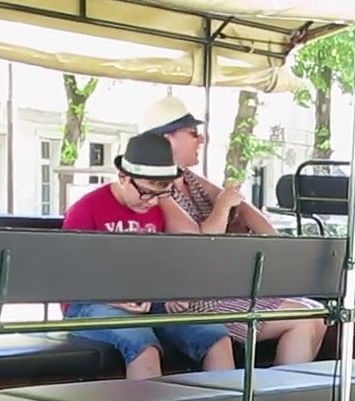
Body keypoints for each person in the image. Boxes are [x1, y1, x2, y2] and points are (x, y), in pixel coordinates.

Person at [140, 96, 327, 365]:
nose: (201, 139)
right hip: (189, 297)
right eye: (193, 133)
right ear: (168, 139)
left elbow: (264, 228)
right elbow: (199, 244)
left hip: (219, 288)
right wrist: (223, 205)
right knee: (303, 317)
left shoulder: (189, 179)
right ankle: (286, 389)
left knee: (316, 312)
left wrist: (237, 203)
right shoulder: (156, 187)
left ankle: (288, 389)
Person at [60, 130, 235, 379]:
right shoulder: (86, 209)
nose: (151, 202)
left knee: (217, 338)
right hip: (91, 303)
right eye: (145, 192)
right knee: (144, 347)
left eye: (161, 193)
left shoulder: (159, 207)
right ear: (123, 177)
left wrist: (172, 291)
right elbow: (66, 275)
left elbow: (181, 250)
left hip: (149, 300)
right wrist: (112, 298)